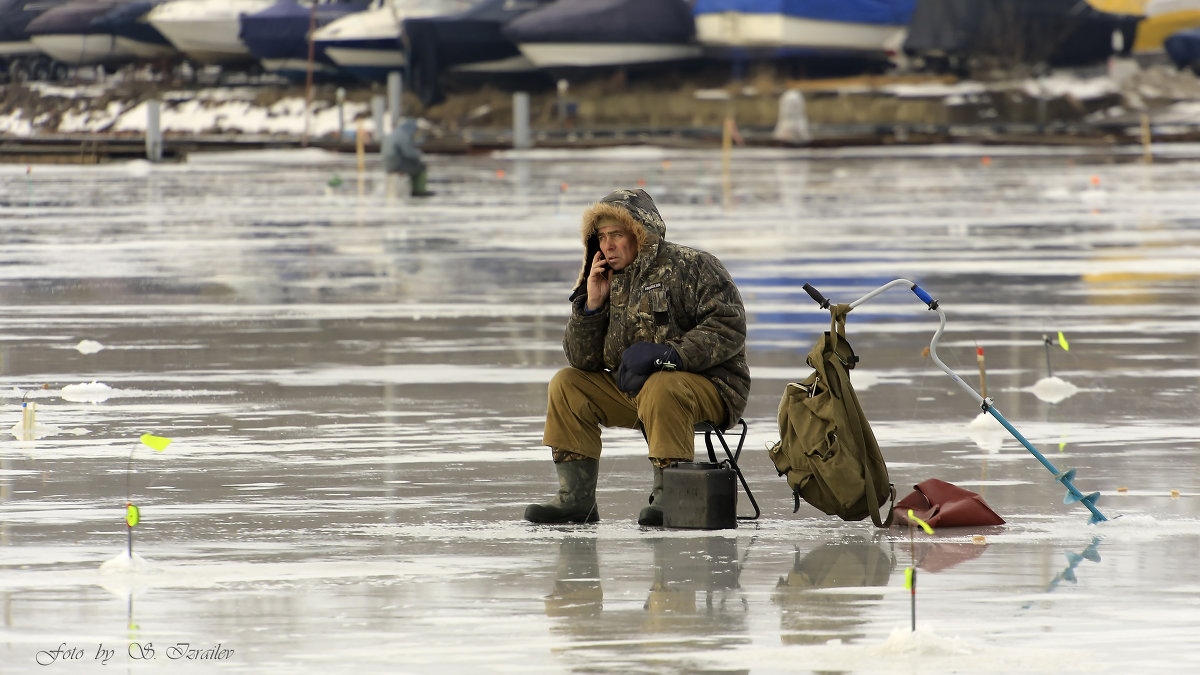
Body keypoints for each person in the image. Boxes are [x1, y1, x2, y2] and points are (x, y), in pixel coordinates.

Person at [524, 188, 750, 526]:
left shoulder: (693, 265)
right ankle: (575, 499)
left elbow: (728, 326)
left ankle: (669, 496)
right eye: (602, 237)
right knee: (567, 384)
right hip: (636, 391)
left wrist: (671, 354)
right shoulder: (604, 279)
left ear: (640, 233)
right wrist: (592, 306)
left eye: (617, 235)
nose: (608, 245)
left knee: (663, 385)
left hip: (711, 389)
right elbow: (581, 361)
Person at [381, 117, 433, 197]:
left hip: (388, 165)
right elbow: (409, 154)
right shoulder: (404, 136)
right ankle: (419, 191)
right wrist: (419, 154)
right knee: (421, 167)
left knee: (415, 164)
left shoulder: (396, 133)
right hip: (396, 165)